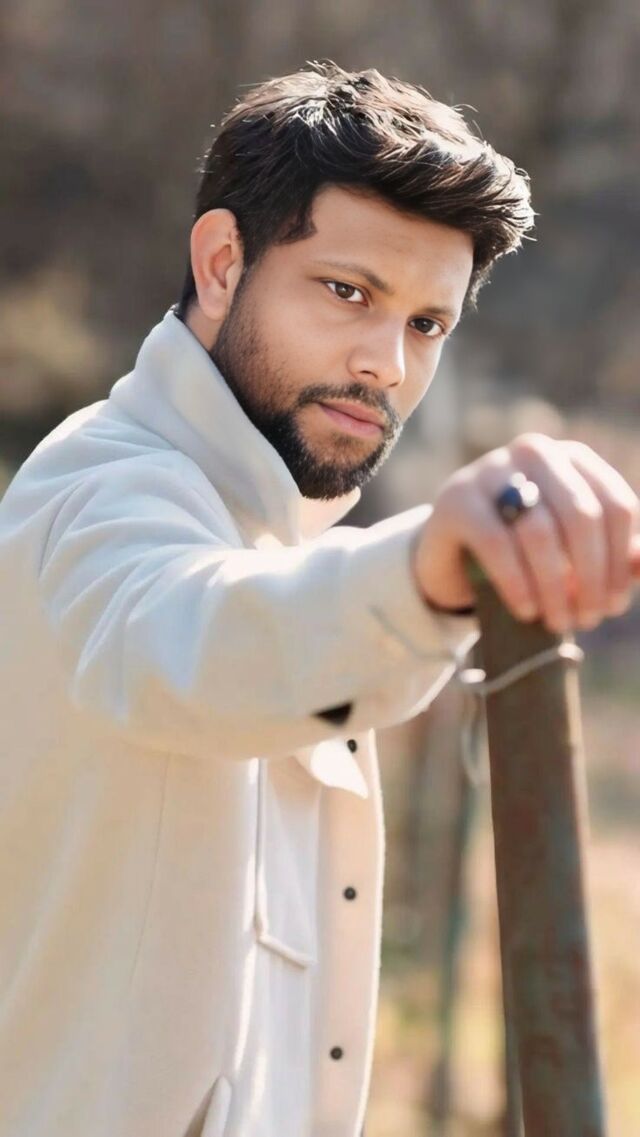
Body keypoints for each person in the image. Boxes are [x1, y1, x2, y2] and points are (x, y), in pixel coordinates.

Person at [0, 60, 637, 1137]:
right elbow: (190, 640)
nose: (385, 362)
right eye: (349, 292)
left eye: (426, 325)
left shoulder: (281, 539)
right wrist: (426, 569)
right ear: (221, 264)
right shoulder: (99, 485)